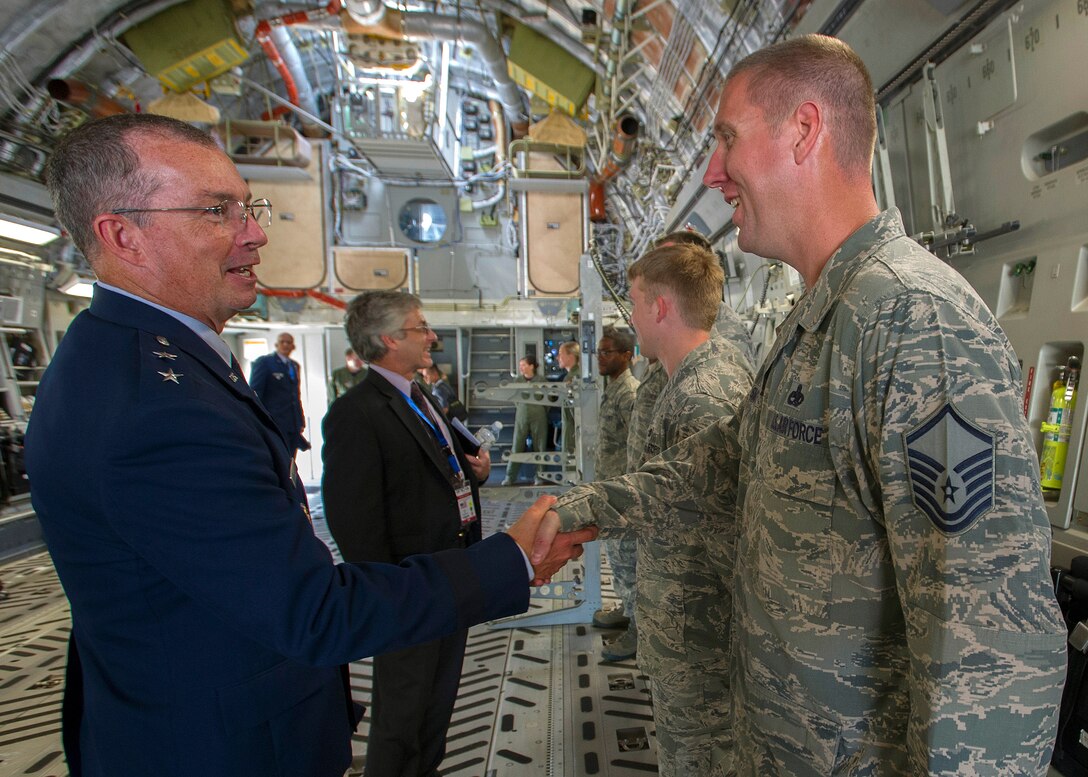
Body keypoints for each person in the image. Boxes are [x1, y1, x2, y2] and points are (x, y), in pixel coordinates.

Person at [533, 34, 1066, 775]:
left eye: (726, 139)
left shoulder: (914, 322)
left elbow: (988, 637)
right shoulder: (823, 313)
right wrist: (582, 510)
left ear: (805, 131)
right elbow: (724, 460)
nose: (714, 174)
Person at [25, 112, 595, 777]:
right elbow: (312, 610)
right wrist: (513, 561)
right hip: (218, 746)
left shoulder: (134, 360)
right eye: (219, 212)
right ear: (122, 235)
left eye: (248, 207)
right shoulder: (152, 403)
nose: (257, 233)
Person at [557, 243, 753, 775]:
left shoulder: (704, 394)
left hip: (702, 641)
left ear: (661, 308)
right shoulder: (683, 381)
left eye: (636, 302)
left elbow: (676, 501)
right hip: (683, 630)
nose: (631, 317)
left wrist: (564, 518)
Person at [323, 291, 492, 777]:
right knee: (402, 707)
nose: (432, 337)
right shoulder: (357, 413)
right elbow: (354, 520)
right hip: (407, 587)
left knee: (438, 700)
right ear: (388, 339)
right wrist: (387, 593)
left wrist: (473, 473)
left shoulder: (421, 395)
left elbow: (438, 469)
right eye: (421, 328)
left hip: (450, 573)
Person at [593, 327, 639, 661]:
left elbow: (637, 450)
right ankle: (625, 608)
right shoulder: (613, 390)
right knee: (617, 562)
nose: (601, 357)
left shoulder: (630, 395)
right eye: (599, 351)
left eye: (608, 352)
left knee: (629, 564)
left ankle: (638, 632)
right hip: (609, 492)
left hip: (623, 495)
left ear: (626, 355)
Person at [250, 331, 308, 456]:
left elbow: (295, 395)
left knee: (291, 459)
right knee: (279, 458)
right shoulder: (265, 363)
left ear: (293, 346)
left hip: (293, 423)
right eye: (282, 342)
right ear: (276, 344)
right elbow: (255, 393)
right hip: (275, 421)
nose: (286, 345)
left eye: (289, 342)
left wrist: (300, 419)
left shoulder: (294, 366)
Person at [502, 355, 550, 486]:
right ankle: (510, 477)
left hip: (539, 415)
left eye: (523, 365)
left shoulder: (541, 380)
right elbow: (515, 400)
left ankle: (539, 476)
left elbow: (549, 400)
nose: (521, 368)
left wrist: (539, 410)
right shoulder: (517, 381)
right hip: (522, 415)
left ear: (531, 366)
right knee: (517, 445)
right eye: (520, 365)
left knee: (540, 446)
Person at [557, 341, 581, 458]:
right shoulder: (572, 375)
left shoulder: (573, 377)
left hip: (573, 430)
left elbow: (572, 413)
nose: (558, 358)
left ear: (571, 356)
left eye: (561, 354)